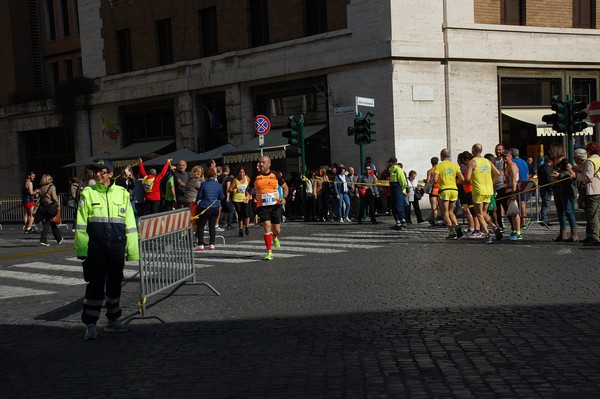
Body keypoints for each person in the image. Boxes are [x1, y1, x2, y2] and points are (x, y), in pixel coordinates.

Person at [75, 160, 139, 341]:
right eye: (96, 172)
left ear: (111, 174)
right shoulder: (87, 193)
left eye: (102, 172)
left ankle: (113, 319)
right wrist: (82, 249)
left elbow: (131, 223)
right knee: (95, 285)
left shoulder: (122, 193)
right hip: (96, 248)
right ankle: (90, 324)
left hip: (117, 248)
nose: (98, 175)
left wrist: (133, 251)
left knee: (115, 284)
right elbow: (80, 224)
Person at [247, 155, 289, 261]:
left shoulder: (275, 175)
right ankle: (269, 252)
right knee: (266, 225)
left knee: (277, 230)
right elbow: (249, 189)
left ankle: (275, 237)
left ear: (269, 164)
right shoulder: (255, 176)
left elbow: (285, 187)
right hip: (262, 206)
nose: (261, 164)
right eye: (260, 162)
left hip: (275, 205)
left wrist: (284, 198)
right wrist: (247, 196)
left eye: (263, 162)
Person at [465, 143, 503, 244]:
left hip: (478, 190)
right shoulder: (487, 161)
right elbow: (498, 173)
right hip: (488, 191)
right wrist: (492, 182)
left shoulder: (472, 162)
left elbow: (467, 178)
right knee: (484, 213)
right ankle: (494, 227)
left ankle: (487, 235)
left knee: (479, 214)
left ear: (473, 150)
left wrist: (471, 181)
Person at [549, 143, 578, 242]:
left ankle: (574, 234)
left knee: (568, 211)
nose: (550, 152)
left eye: (552, 150)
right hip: (556, 189)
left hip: (565, 189)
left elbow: (573, 174)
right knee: (560, 211)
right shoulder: (554, 161)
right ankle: (562, 233)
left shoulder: (565, 162)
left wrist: (559, 175)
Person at [434, 148, 464, 239]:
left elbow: (435, 180)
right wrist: (455, 181)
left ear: (441, 156)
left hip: (444, 190)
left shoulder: (439, 166)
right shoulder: (454, 166)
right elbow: (462, 179)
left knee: (445, 212)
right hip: (454, 189)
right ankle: (456, 224)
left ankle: (452, 232)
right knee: (451, 211)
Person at [195, 167, 224, 251]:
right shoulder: (218, 185)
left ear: (206, 176)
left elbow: (199, 197)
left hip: (204, 207)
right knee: (212, 226)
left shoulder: (203, 184)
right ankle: (212, 244)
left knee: (201, 226)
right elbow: (221, 197)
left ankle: (201, 244)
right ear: (214, 175)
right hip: (215, 207)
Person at [581, 141, 600, 246]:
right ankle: (593, 235)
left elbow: (588, 176)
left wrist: (579, 176)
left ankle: (594, 236)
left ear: (588, 150)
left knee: (592, 214)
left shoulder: (590, 161)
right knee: (598, 213)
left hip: (592, 189)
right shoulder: (599, 160)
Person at [501, 149, 522, 240]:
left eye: (506, 155)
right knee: (512, 212)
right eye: (503, 156)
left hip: (512, 190)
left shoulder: (512, 166)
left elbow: (514, 180)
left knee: (514, 212)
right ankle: (515, 230)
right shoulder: (508, 165)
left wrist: (513, 193)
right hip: (508, 190)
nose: (505, 157)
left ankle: (518, 232)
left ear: (511, 156)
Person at [37, 174, 63, 247]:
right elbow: (54, 197)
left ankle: (59, 238)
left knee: (52, 222)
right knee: (48, 223)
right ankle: (43, 239)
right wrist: (58, 205)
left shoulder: (41, 188)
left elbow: (39, 199)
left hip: (43, 207)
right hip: (50, 207)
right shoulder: (52, 187)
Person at [229, 166, 251, 237]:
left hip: (246, 199)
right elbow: (229, 189)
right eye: (240, 172)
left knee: (247, 214)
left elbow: (251, 187)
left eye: (243, 172)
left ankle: (247, 228)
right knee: (240, 214)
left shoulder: (247, 179)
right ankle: (240, 230)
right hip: (237, 199)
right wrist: (235, 190)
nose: (241, 174)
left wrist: (248, 192)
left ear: (245, 173)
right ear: (238, 173)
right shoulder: (235, 180)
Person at [387, 157, 407, 230]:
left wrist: (403, 190)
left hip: (398, 188)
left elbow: (403, 181)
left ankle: (403, 222)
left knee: (399, 205)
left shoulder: (398, 170)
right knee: (394, 205)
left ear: (392, 163)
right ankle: (397, 222)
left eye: (389, 162)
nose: (388, 164)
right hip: (393, 188)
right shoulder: (392, 170)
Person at [537, 155, 553, 226]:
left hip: (542, 187)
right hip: (547, 188)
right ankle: (544, 219)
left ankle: (543, 217)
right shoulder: (548, 168)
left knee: (544, 203)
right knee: (546, 204)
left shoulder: (540, 167)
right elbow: (548, 179)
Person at [426, 157, 440, 226]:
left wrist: (425, 181)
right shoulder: (440, 169)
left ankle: (436, 221)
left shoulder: (430, 171)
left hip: (433, 190)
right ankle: (444, 221)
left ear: (431, 162)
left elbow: (428, 181)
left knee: (434, 207)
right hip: (441, 189)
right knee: (442, 206)